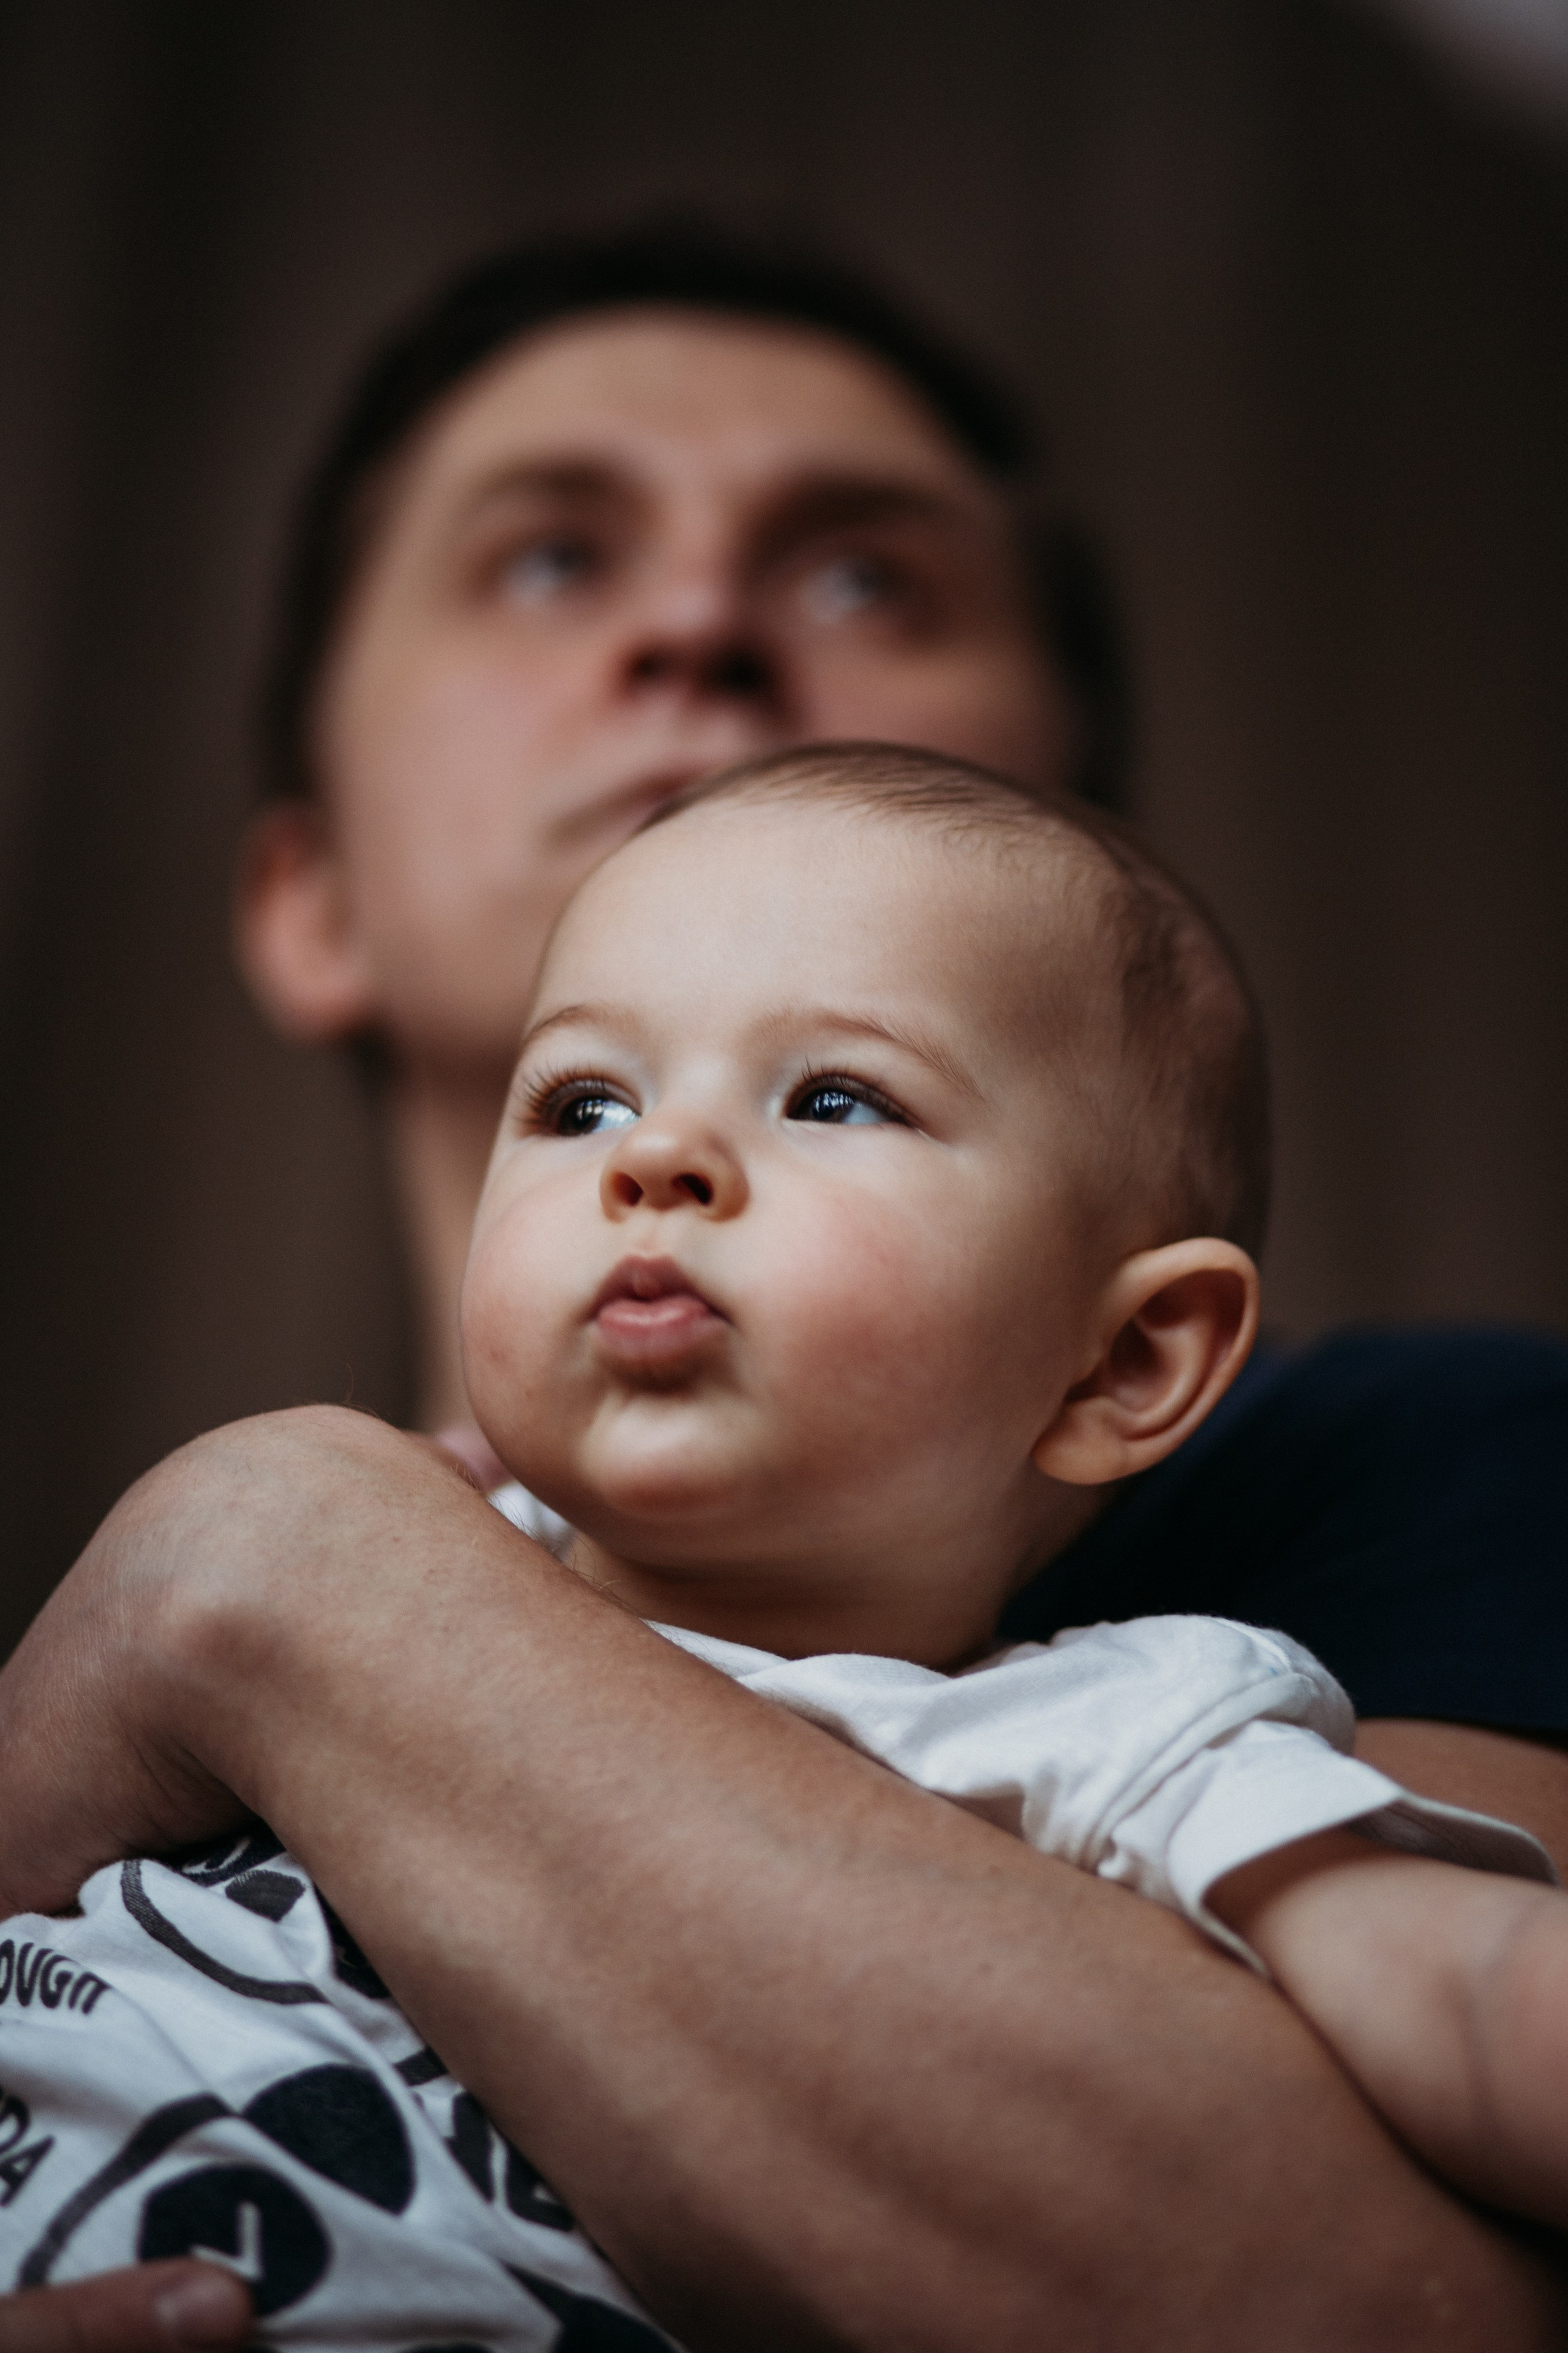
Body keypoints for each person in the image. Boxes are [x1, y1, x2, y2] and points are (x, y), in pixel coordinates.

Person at [1, 226, 1566, 2350]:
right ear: (307, 898)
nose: (706, 628)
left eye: (864, 580)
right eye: (552, 560)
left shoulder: (1273, 1594)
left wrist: (269, 1569)